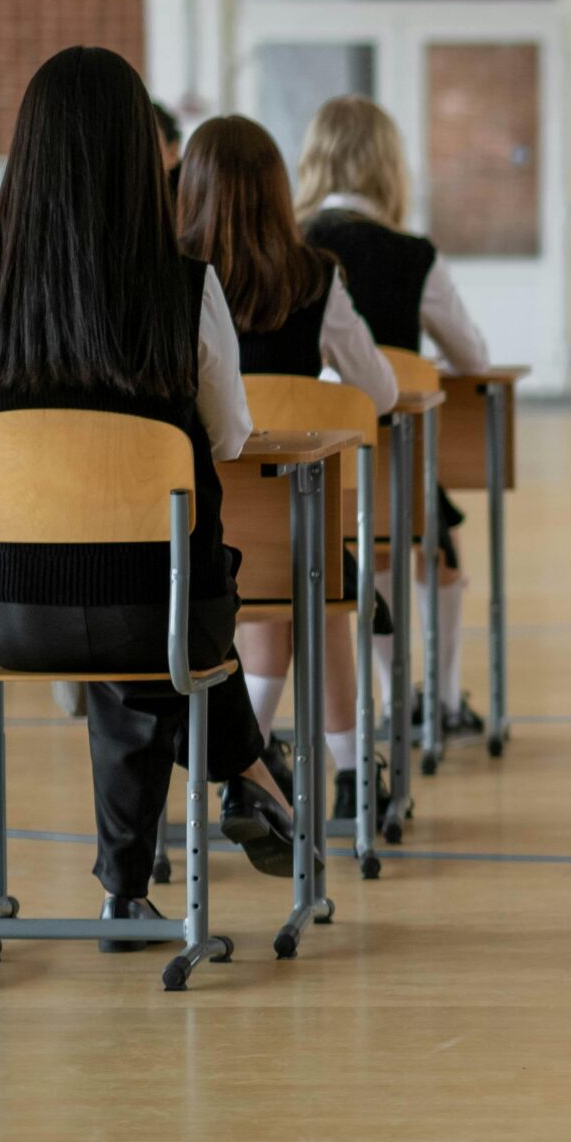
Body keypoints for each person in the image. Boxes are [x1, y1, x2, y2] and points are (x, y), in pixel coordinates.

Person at [0, 46, 295, 948]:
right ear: (146, 156)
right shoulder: (187, 289)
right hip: (160, 607)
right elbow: (228, 438)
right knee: (157, 622)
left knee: (122, 646)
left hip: (10, 614)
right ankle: (250, 767)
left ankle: (127, 888)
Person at [177, 116, 399, 823]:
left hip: (197, 536)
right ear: (280, 191)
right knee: (319, 586)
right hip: (293, 531)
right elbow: (381, 393)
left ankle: (249, 768)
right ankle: (351, 773)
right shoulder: (315, 277)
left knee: (273, 599)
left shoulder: (169, 281)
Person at [293, 96, 494, 738]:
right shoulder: (412, 255)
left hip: (294, 471)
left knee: (366, 538)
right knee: (430, 544)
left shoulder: (282, 248)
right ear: (389, 166)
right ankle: (430, 699)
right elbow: (473, 356)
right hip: (384, 468)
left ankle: (387, 693)